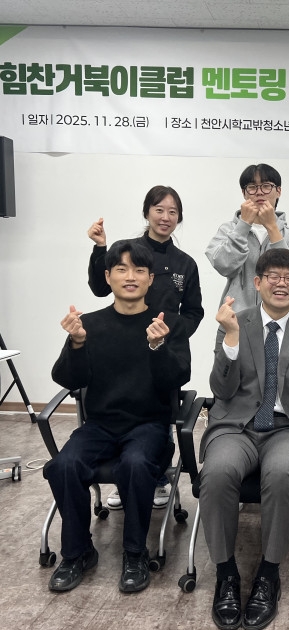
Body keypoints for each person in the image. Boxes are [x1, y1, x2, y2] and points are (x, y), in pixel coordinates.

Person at [199, 248, 289, 630]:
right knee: (217, 471)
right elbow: (221, 389)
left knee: (281, 473)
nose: (281, 283)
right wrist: (230, 338)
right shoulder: (234, 321)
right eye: (273, 276)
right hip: (237, 426)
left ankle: (268, 573)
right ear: (258, 282)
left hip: (288, 428)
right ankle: (226, 573)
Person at [44, 240, 191, 593]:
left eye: (139, 270)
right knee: (64, 465)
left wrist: (157, 347)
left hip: (149, 426)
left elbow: (178, 379)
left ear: (150, 279)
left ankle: (135, 553)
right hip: (100, 426)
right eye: (121, 269)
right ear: (108, 276)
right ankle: (77, 553)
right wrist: (77, 344)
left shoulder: (167, 324)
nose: (130, 277)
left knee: (135, 464)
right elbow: (68, 379)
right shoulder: (89, 325)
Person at [87, 185, 203, 510]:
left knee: (160, 412)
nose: (165, 217)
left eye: (172, 212)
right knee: (120, 410)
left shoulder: (185, 263)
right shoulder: (128, 251)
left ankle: (159, 478)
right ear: (147, 212)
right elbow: (99, 288)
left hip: (163, 348)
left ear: (179, 218)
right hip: (121, 346)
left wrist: (173, 335)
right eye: (159, 209)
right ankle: (124, 477)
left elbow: (194, 311)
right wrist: (100, 248)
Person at [205, 163, 289, 310]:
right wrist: (243, 225)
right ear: (244, 193)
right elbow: (224, 266)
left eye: (266, 186)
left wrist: (272, 228)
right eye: (252, 187)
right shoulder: (229, 229)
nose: (259, 192)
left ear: (278, 191)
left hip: (279, 317)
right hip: (236, 317)